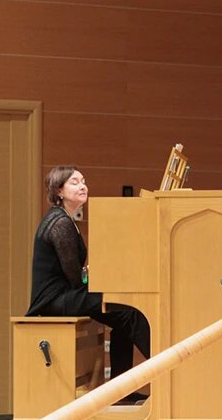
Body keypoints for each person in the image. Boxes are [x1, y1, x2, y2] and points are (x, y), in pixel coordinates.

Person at [27, 165, 151, 393]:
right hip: (55, 300)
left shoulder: (65, 218)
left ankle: (119, 392)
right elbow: (75, 278)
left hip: (66, 294)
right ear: (59, 191)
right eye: (74, 182)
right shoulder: (60, 223)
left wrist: (94, 276)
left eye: (83, 181)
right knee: (129, 314)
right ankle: (166, 367)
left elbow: (76, 274)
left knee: (125, 317)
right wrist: (94, 278)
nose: (83, 185)